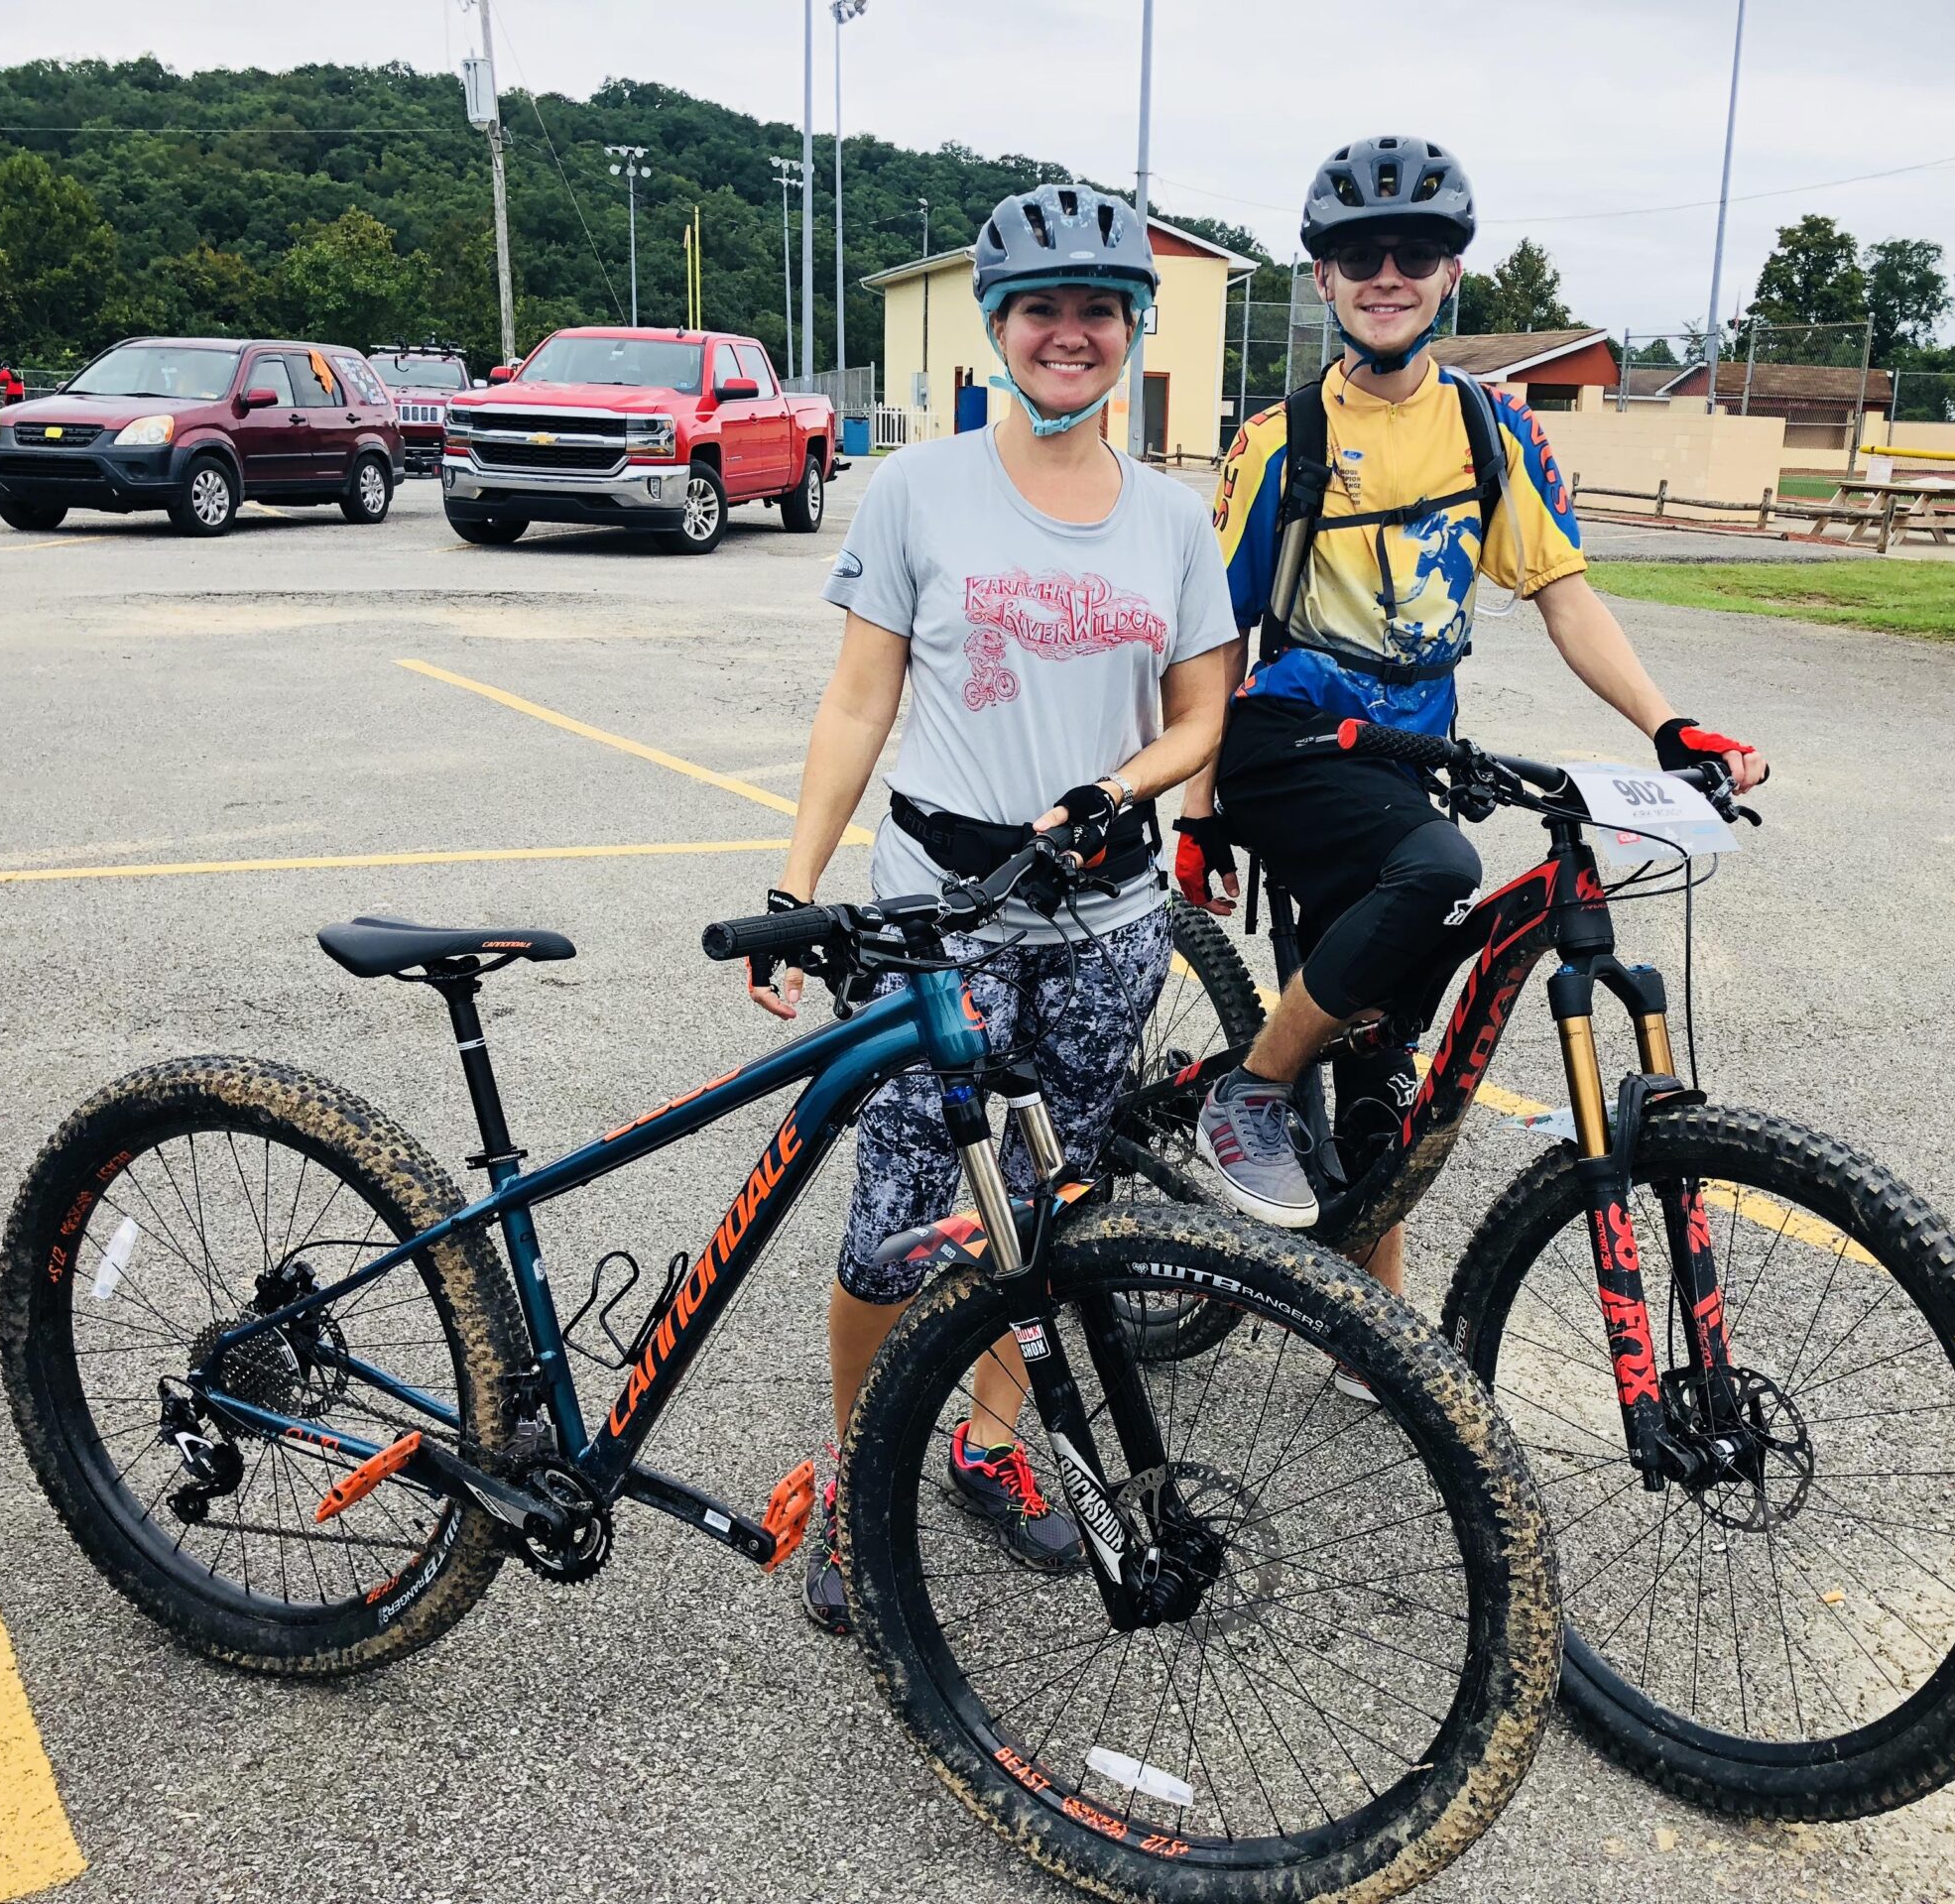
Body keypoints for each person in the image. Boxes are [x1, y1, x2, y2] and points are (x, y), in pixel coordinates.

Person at [1180, 136, 1768, 1359]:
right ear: (1324, 277)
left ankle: (1369, 1325)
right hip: (1286, 742)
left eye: (1414, 253)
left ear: (1450, 275)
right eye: (1357, 255)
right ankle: (1248, 1090)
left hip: (1405, 758)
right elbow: (1210, 638)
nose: (1384, 273)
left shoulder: (1490, 431)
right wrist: (1193, 814)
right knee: (1442, 874)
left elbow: (1562, 592)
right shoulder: (1277, 438)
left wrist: (1667, 725)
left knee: (1386, 1058)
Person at [752, 182, 1240, 1632]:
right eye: (1043, 310)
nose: (1070, 335)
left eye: (1100, 310)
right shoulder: (916, 492)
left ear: (1133, 327)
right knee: (894, 1228)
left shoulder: (1169, 514)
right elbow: (859, 699)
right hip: (938, 924)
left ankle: (983, 1439)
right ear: (998, 329)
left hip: (1104, 923)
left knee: (1040, 1213)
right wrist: (796, 881)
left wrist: (1116, 787)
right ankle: (852, 1478)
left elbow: (1205, 707)